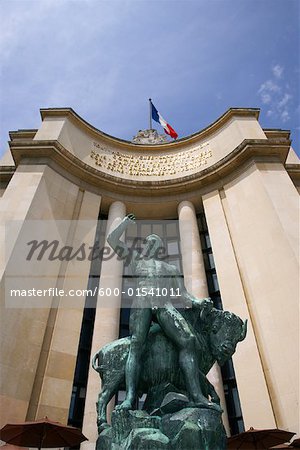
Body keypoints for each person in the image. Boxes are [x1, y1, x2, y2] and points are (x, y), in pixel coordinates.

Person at [107, 213, 218, 411]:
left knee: (189, 340)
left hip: (163, 303)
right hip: (142, 302)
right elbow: (112, 240)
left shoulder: (169, 268)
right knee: (136, 346)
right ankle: (130, 398)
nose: (149, 245)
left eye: (153, 243)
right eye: (147, 242)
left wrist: (199, 302)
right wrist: (124, 225)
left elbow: (185, 297)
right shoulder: (135, 260)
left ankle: (196, 396)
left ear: (159, 249)